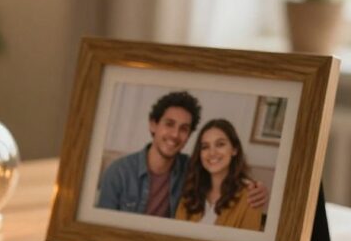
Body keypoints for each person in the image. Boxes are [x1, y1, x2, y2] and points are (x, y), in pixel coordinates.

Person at [97, 91, 266, 217]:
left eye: (184, 129)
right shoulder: (118, 172)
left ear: (189, 135)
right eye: (169, 124)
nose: (175, 135)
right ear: (153, 125)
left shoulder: (191, 169)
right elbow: (101, 228)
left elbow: (225, 174)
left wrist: (258, 188)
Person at [175, 119, 263, 230]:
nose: (212, 153)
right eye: (205, 147)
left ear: (234, 149)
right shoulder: (189, 193)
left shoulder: (251, 197)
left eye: (220, 144)